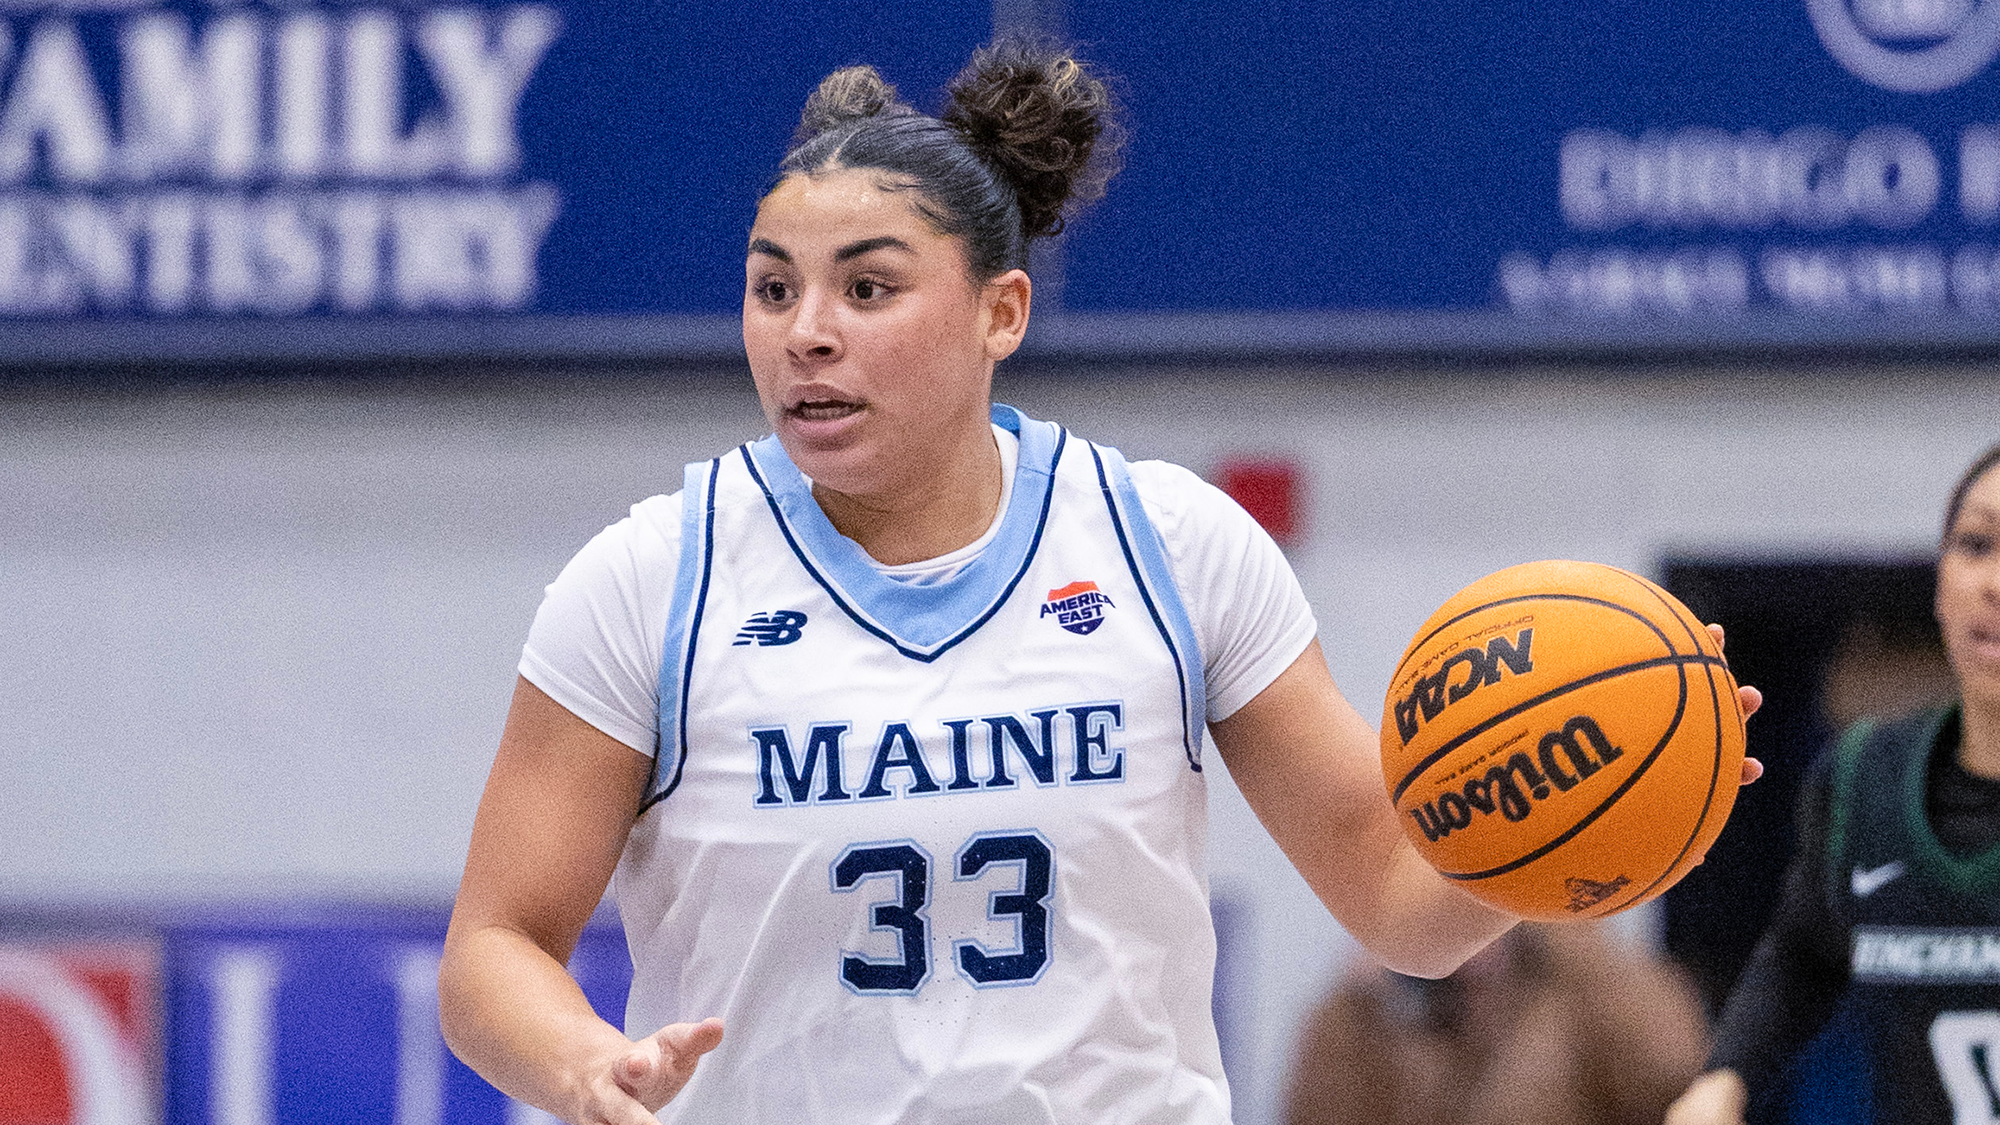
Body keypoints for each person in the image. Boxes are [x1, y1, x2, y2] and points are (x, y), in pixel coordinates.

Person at [436, 40, 1757, 1124]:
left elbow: (1393, 896)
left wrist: (1587, 818)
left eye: (868, 287)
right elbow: (496, 947)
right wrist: (582, 1063)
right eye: (772, 290)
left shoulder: (1168, 545)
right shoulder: (650, 578)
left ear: (1000, 312)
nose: (807, 333)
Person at [1667, 443, 2000, 1125]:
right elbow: (1804, 951)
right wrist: (1724, 1079)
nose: (1995, 582)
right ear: (1939, 585)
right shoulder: (1863, 775)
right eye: (1975, 544)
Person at [1284, 922, 1709, 1125]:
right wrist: (1368, 1015)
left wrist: (1564, 938)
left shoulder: (1587, 983)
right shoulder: (1361, 1013)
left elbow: (1677, 1083)